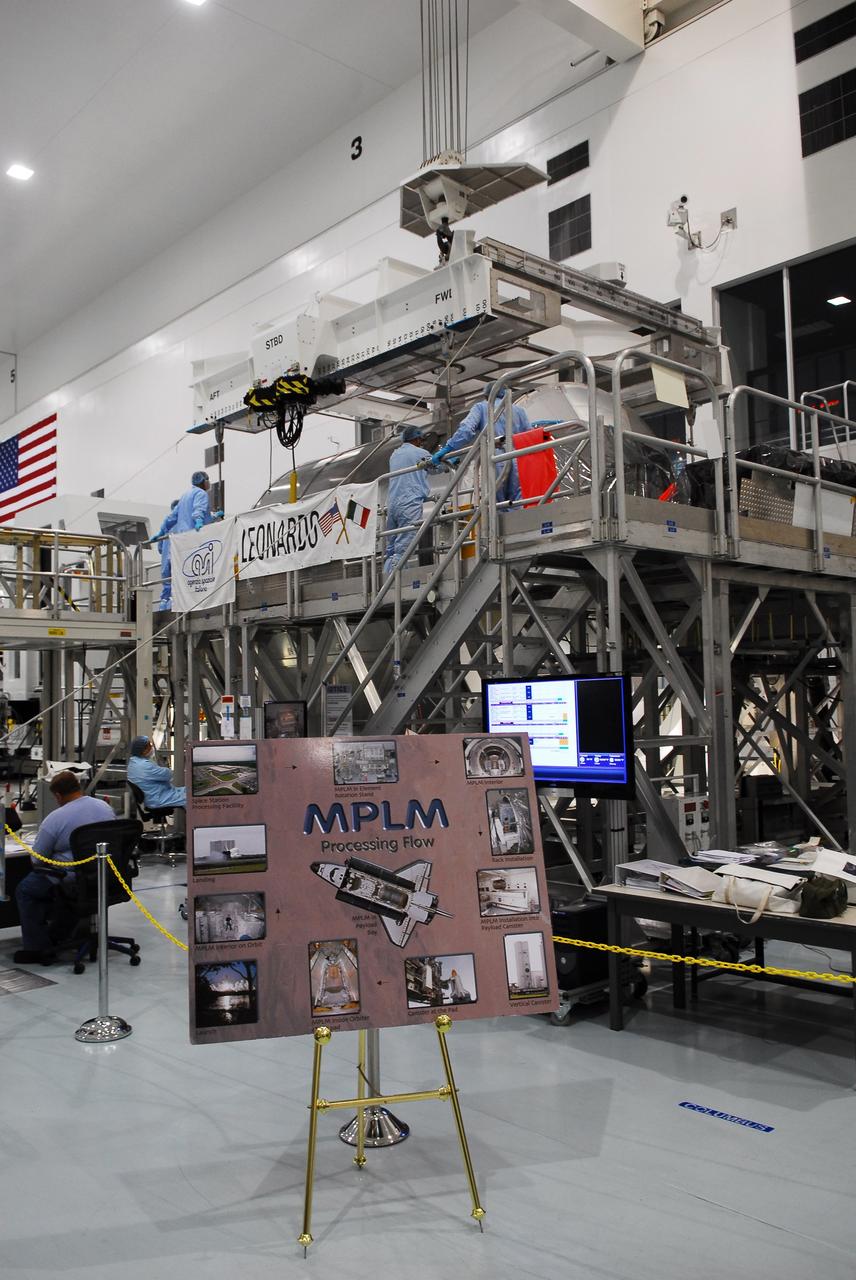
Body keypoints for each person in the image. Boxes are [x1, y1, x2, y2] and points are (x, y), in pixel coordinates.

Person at [14, 770, 116, 965]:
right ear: (79, 788)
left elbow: (36, 860)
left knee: (26, 890)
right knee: (63, 892)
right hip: (104, 875)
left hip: (71, 878)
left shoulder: (55, 819)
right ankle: (60, 936)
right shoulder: (104, 807)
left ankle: (37, 949)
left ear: (58, 796)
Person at [431, 382, 530, 506]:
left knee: (497, 505)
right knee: (516, 504)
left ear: (487, 396)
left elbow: (466, 429)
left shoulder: (482, 407)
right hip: (518, 460)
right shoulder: (519, 411)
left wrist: (449, 448)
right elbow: (529, 436)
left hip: (495, 459)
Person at [384, 424, 434, 576]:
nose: (422, 442)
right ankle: (395, 583)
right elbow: (435, 466)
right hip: (409, 503)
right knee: (404, 548)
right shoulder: (420, 453)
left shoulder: (394, 455)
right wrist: (450, 459)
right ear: (417, 439)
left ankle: (385, 577)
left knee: (391, 548)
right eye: (421, 440)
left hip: (392, 505)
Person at [127, 735, 187, 809]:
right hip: (158, 799)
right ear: (143, 750)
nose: (151, 747)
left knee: (188, 791)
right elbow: (168, 775)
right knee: (192, 798)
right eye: (149, 746)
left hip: (154, 795)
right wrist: (163, 768)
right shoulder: (145, 766)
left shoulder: (133, 762)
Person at [154, 498, 179, 610]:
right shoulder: (183, 523)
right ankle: (172, 606)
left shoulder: (167, 523)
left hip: (165, 562)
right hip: (176, 559)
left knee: (166, 590)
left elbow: (159, 548)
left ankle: (163, 606)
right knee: (177, 587)